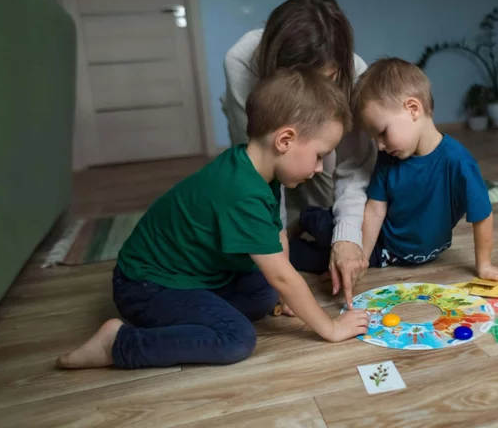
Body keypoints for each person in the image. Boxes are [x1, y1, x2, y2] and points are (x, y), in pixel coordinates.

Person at [57, 68, 369, 369]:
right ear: (285, 140)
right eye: (319, 155)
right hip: (147, 287)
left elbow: (277, 239)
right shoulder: (242, 193)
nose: (319, 168)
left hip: (192, 275)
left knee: (264, 295)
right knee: (235, 338)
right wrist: (329, 327)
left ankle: (201, 313)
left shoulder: (253, 167)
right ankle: (118, 344)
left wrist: (285, 296)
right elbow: (283, 276)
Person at [296, 58, 498, 306]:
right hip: (383, 246)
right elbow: (374, 210)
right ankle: (305, 220)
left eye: (383, 133)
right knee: (327, 235)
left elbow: (482, 214)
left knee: (318, 261)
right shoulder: (387, 158)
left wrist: (485, 265)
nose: (379, 146)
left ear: (413, 109)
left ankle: (288, 249)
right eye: (374, 138)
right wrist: (360, 256)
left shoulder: (458, 162)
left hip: (399, 256)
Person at [223, 0, 375, 306]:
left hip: (321, 150)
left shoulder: (355, 72)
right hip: (260, 158)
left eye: (329, 79)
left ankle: (302, 222)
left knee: (328, 219)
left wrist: (346, 238)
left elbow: (353, 165)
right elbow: (259, 172)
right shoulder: (241, 62)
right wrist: (279, 264)